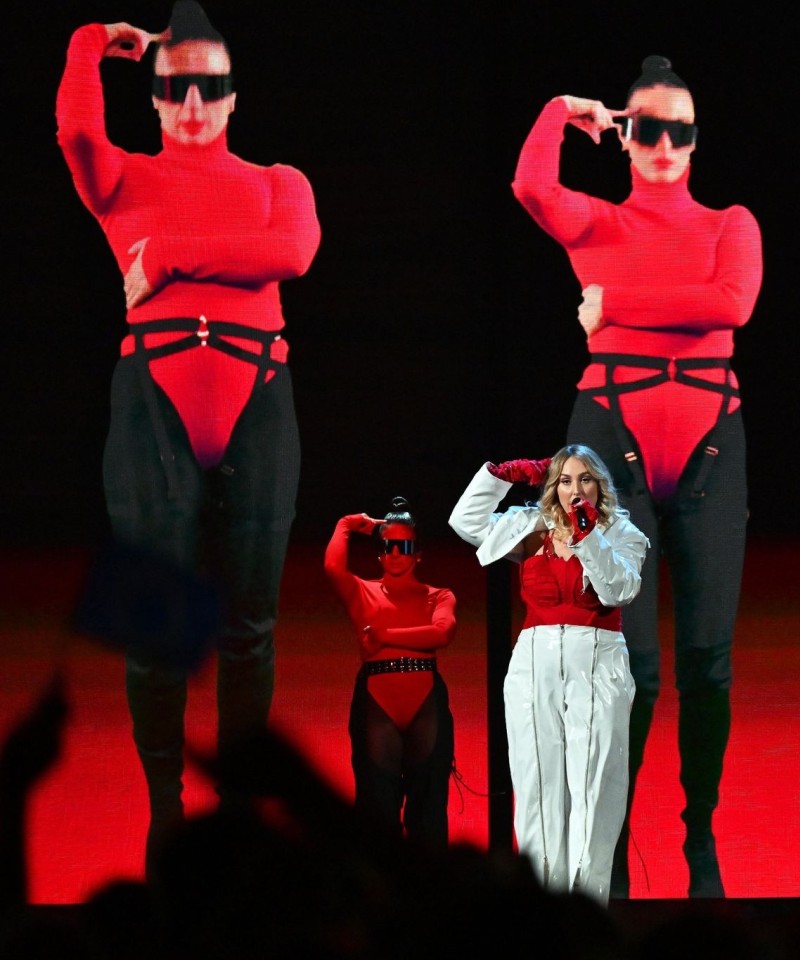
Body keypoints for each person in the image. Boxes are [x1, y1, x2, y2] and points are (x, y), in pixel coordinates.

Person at [56, 1, 321, 863]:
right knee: (155, 626)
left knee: (250, 624)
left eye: (211, 86)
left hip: (257, 404)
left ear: (234, 96)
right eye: (177, 87)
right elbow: (72, 129)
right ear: (157, 96)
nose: (195, 102)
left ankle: (238, 811)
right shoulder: (121, 179)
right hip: (154, 411)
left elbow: (291, 253)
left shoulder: (282, 181)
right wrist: (90, 41)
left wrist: (168, 258)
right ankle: (166, 813)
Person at [511, 55, 762, 897]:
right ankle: (609, 844)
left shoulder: (732, 223)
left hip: (709, 447)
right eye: (647, 127)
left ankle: (700, 840)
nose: (663, 143)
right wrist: (559, 106)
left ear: (694, 141)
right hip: (607, 440)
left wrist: (612, 310)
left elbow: (730, 304)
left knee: (708, 659)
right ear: (625, 135)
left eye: (679, 130)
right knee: (628, 664)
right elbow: (529, 186)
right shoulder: (596, 222)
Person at [449, 446, 648, 903]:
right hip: (533, 663)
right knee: (537, 786)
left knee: (593, 787)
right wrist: (498, 476)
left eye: (584, 480)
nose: (574, 490)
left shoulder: (622, 533)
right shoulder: (528, 526)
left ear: (599, 486)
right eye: (564, 480)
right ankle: (538, 910)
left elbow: (619, 589)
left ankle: (587, 911)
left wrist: (588, 537)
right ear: (552, 486)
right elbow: (466, 523)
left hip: (597, 662)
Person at [324, 498, 457, 850]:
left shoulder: (438, 595)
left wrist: (384, 635)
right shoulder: (362, 591)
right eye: (388, 546)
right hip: (376, 704)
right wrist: (346, 524)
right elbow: (333, 567)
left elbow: (442, 633)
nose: (396, 553)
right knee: (375, 808)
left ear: (419, 554)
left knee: (428, 811)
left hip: (425, 699)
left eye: (405, 546)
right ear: (380, 553)